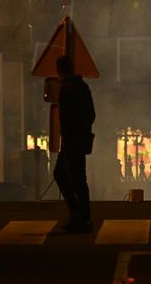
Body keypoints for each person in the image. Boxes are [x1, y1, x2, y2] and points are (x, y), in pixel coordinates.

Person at [53, 55, 95, 233]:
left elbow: (67, 119)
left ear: (60, 71)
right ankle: (81, 216)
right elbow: (91, 114)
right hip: (78, 140)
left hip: (71, 141)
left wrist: (70, 134)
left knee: (68, 177)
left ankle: (79, 216)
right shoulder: (82, 86)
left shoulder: (66, 88)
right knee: (76, 178)